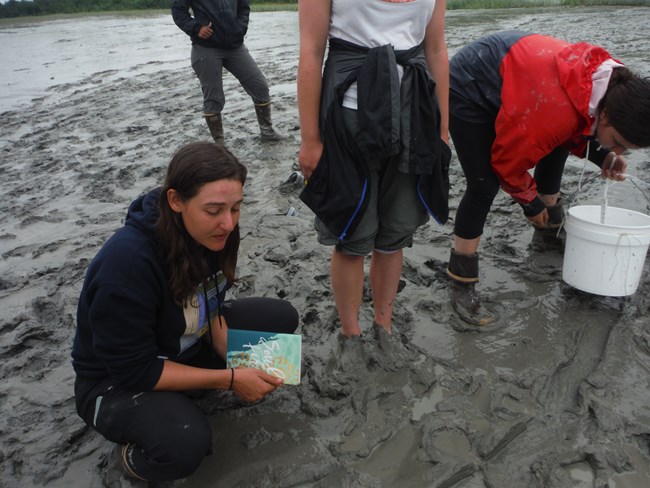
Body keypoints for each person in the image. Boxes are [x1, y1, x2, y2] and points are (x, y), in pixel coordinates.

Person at [71, 141, 299, 482]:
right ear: (176, 201)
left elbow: (213, 304)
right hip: (115, 382)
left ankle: (188, 390)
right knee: (184, 443)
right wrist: (232, 378)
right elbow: (135, 371)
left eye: (236, 208)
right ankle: (132, 457)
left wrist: (230, 352)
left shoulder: (216, 234)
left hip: (182, 344)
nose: (228, 223)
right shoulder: (126, 267)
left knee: (282, 321)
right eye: (214, 210)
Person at [447, 30, 650, 325]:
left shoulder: (618, 88)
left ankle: (548, 234)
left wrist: (603, 156)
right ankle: (461, 282)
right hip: (472, 83)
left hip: (528, 80)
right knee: (483, 185)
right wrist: (530, 203)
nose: (619, 150)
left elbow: (575, 127)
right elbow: (506, 164)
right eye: (617, 142)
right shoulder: (556, 112)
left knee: (558, 140)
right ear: (605, 117)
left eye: (624, 149)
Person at [297, 0, 451, 338]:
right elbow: (310, 51)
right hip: (347, 117)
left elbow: (437, 49)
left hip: (413, 113)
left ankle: (383, 324)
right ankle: (350, 332)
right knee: (352, 234)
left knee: (394, 234)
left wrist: (441, 130)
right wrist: (310, 139)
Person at [171, 0, 287, 143]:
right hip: (206, 48)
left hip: (235, 46)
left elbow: (244, 7)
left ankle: (267, 132)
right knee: (214, 98)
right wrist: (196, 28)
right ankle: (220, 145)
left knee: (260, 86)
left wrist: (240, 28)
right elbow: (178, 11)